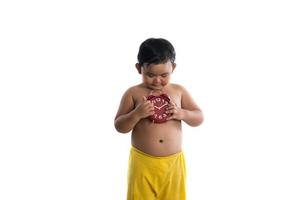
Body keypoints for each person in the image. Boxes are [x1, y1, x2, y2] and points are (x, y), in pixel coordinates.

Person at [114, 38, 204, 200]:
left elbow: (199, 117)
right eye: (150, 75)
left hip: (173, 163)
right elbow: (120, 126)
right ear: (138, 68)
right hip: (142, 162)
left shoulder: (178, 91)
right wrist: (137, 114)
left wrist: (182, 113)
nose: (157, 80)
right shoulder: (133, 93)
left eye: (164, 75)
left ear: (173, 68)